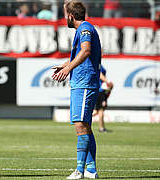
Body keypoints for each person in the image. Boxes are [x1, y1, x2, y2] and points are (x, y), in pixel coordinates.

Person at [52, 1, 101, 179]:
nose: (65, 18)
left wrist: (68, 69)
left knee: (80, 124)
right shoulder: (83, 29)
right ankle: (91, 170)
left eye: (65, 14)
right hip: (82, 82)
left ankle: (79, 170)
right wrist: (65, 65)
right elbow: (80, 54)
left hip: (85, 83)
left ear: (70, 16)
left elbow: (86, 50)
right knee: (85, 126)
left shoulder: (85, 29)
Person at [93, 65, 113, 132]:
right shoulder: (98, 63)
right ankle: (101, 128)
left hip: (99, 90)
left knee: (97, 111)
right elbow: (99, 74)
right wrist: (107, 81)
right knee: (100, 110)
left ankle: (82, 120)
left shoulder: (98, 62)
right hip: (100, 90)